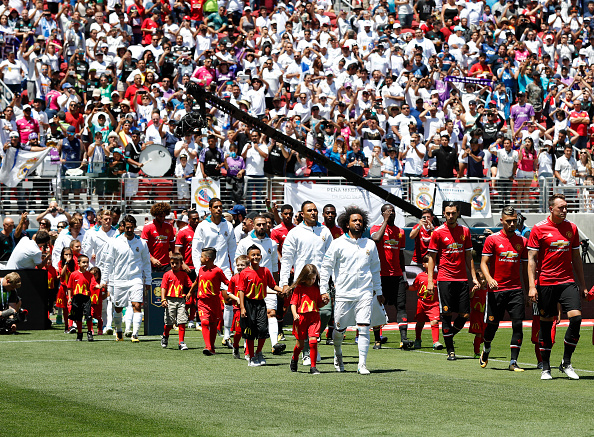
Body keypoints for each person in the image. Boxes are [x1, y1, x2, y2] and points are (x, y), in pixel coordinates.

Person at [527, 194, 588, 380]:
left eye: (566, 207)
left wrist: (583, 285)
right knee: (546, 324)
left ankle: (566, 362)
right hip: (545, 283)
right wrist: (532, 286)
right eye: (560, 207)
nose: (564, 210)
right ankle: (546, 368)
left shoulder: (572, 228)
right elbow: (531, 260)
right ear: (551, 208)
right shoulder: (538, 229)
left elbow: (576, 258)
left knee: (576, 319)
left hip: (567, 282)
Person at [320, 206, 383, 375]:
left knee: (363, 327)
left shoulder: (369, 244)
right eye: (354, 220)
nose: (358, 223)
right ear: (347, 224)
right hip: (343, 294)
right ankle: (337, 353)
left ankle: (362, 364)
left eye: (360, 221)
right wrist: (323, 290)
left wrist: (379, 290)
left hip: (365, 293)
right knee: (339, 330)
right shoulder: (337, 243)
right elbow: (326, 268)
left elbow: (375, 269)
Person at [279, 201, 333, 366]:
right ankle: (306, 351)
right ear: (302, 214)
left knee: (325, 312)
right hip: (302, 282)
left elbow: (331, 257)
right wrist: (284, 283)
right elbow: (287, 259)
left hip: (321, 281)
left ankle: (312, 342)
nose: (313, 213)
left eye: (315, 210)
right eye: (309, 210)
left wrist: (334, 280)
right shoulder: (295, 232)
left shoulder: (325, 230)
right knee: (303, 318)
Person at [427, 202, 479, 360]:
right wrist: (431, 280)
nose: (450, 216)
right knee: (446, 315)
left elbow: (469, 256)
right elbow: (431, 258)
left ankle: (448, 335)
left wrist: (474, 278)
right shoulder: (437, 232)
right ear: (444, 213)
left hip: (462, 278)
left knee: (464, 314)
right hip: (444, 279)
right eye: (448, 213)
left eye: (453, 213)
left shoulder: (465, 231)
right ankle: (450, 351)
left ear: (458, 214)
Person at [479, 206, 528, 372]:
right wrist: (489, 279)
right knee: (492, 326)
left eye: (515, 221)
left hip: (515, 290)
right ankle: (486, 349)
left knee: (518, 324)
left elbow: (526, 268)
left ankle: (513, 362)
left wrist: (529, 289)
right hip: (496, 291)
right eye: (509, 221)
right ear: (502, 221)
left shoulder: (522, 242)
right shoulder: (492, 240)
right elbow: (483, 263)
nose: (512, 224)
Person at [236, 215, 283, 355]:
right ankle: (247, 347)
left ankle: (275, 344)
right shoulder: (245, 242)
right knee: (250, 320)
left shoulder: (272, 243)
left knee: (271, 313)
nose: (262, 227)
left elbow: (274, 266)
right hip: (250, 288)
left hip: (267, 285)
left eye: (264, 224)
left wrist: (277, 286)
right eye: (259, 225)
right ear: (253, 225)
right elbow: (237, 264)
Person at [191, 198, 237, 343]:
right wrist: (199, 270)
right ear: (210, 209)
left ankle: (227, 335)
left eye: (220, 207)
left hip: (224, 268)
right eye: (216, 207)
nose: (219, 209)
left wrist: (234, 269)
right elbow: (196, 249)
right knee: (209, 302)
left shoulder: (228, 225)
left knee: (228, 298)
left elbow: (233, 249)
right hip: (206, 269)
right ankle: (210, 330)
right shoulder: (202, 226)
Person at [103, 215, 152, 342]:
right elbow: (108, 262)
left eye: (131, 228)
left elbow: (146, 262)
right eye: (127, 227)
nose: (129, 230)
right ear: (123, 227)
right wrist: (104, 280)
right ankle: (119, 331)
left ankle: (135, 334)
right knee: (118, 308)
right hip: (119, 280)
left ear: (135, 227)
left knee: (137, 305)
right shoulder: (115, 242)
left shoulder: (142, 243)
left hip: (136, 279)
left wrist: (148, 280)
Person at [370, 204, 410, 349]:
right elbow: (376, 239)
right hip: (380, 275)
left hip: (397, 275)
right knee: (377, 306)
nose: (391, 212)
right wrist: (385, 221)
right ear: (382, 214)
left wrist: (404, 277)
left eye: (393, 210)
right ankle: (377, 340)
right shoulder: (376, 228)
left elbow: (401, 255)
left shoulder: (400, 232)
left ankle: (404, 339)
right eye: (388, 211)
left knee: (401, 306)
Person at [238, 245, 283, 367]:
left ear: (261, 257)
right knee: (250, 332)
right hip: (248, 304)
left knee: (263, 330)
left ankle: (259, 352)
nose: (256, 257)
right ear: (248, 257)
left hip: (261, 303)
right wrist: (242, 307)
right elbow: (241, 291)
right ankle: (251, 357)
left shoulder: (265, 271)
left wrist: (282, 290)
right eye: (253, 255)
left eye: (258, 254)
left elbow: (272, 285)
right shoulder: (244, 273)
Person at [189, 247, 229, 355]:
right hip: (202, 301)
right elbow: (197, 281)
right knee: (205, 322)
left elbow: (226, 282)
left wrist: (236, 288)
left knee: (213, 324)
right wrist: (190, 292)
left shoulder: (218, 271)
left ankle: (211, 347)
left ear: (207, 258)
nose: (200, 258)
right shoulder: (201, 269)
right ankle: (208, 346)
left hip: (214, 302)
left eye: (201, 256)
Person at [288, 264, 325, 374]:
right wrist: (295, 314)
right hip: (301, 319)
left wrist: (324, 302)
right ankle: (294, 358)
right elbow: (293, 304)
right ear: (303, 277)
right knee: (300, 345)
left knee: (313, 341)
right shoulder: (299, 288)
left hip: (314, 317)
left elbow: (318, 304)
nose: (311, 281)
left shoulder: (316, 288)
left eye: (313, 278)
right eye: (308, 279)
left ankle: (313, 367)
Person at [160, 253, 193, 351]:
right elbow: (163, 287)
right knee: (169, 323)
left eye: (176, 263)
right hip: (170, 300)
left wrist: (189, 293)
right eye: (172, 263)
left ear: (181, 264)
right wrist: (163, 299)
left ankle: (181, 342)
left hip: (181, 301)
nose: (174, 265)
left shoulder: (184, 275)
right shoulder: (167, 275)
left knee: (182, 321)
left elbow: (190, 285)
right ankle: (165, 335)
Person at [410, 256, 442, 350]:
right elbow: (414, 287)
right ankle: (418, 339)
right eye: (428, 262)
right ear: (423, 264)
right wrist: (406, 287)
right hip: (422, 303)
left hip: (433, 303)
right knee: (420, 322)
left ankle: (435, 342)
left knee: (435, 321)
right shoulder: (420, 276)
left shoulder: (438, 276)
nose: (431, 264)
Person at [223, 254, 249, 359]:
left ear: (248, 265)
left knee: (249, 331)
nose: (239, 267)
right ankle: (236, 345)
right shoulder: (234, 278)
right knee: (239, 331)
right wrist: (237, 299)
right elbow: (229, 293)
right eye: (238, 265)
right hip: (238, 309)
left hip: (250, 308)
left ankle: (248, 351)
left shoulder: (251, 276)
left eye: (242, 265)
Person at [66, 254, 97, 342]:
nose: (85, 264)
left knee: (89, 316)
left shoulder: (90, 275)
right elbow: (70, 287)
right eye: (83, 262)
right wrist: (69, 298)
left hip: (86, 298)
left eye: (87, 262)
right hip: (76, 298)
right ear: (78, 263)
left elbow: (94, 284)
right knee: (78, 317)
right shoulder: (73, 274)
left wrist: (100, 286)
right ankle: (79, 334)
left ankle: (90, 333)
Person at [141, 202, 176, 271]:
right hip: (150, 264)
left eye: (164, 216)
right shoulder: (148, 227)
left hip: (166, 264)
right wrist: (152, 259)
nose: (162, 218)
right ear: (155, 215)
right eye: (160, 216)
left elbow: (172, 245)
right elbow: (143, 247)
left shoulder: (169, 226)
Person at [89, 267, 107, 336]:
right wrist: (101, 286)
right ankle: (91, 329)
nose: (93, 276)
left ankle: (100, 328)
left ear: (99, 275)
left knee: (99, 316)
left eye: (95, 275)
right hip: (90, 302)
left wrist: (105, 288)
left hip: (98, 302)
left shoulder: (99, 282)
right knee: (90, 315)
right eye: (92, 274)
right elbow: (96, 286)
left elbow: (102, 290)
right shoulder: (91, 281)